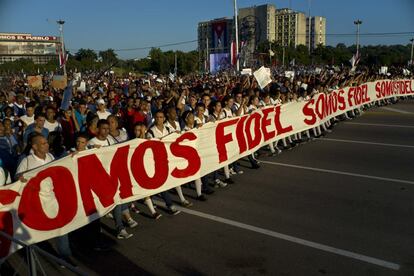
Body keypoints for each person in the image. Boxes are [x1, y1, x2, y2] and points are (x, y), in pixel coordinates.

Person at [15, 133, 76, 267]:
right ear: (35, 146)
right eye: (43, 143)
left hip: (52, 198)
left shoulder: (50, 156)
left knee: (61, 228)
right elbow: (17, 178)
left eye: (46, 142)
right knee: (35, 231)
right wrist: (19, 177)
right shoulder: (26, 160)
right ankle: (32, 261)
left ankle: (65, 257)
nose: (47, 144)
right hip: (35, 202)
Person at [87, 119, 137, 239]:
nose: (106, 131)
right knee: (116, 201)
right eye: (103, 128)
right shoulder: (91, 142)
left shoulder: (109, 140)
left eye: (107, 128)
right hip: (100, 178)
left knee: (120, 198)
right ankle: (120, 228)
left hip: (112, 174)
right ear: (98, 129)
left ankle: (122, 222)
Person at [147, 110, 191, 210]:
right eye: (157, 117)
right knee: (161, 183)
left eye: (161, 117)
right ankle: (168, 204)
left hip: (169, 158)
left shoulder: (167, 129)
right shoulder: (151, 132)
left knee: (175, 179)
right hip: (158, 161)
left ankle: (182, 199)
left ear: (164, 118)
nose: (159, 119)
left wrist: (177, 134)